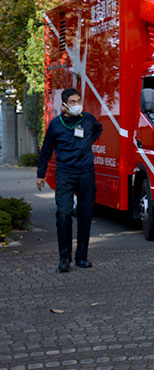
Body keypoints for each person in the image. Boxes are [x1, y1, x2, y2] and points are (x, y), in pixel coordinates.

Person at [36, 88, 103, 273]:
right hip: (65, 173)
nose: (77, 105)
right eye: (73, 102)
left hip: (86, 173)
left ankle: (82, 257)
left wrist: (87, 142)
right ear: (64, 104)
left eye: (78, 101)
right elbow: (46, 151)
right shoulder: (56, 125)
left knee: (85, 214)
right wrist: (40, 174)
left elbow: (99, 129)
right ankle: (64, 258)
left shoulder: (87, 119)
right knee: (64, 213)